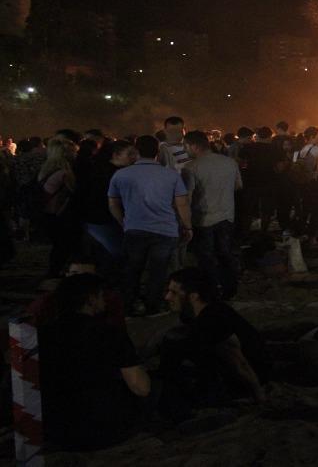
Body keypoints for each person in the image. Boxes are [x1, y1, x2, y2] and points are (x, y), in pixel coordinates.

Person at [39, 273, 150, 451]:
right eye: (100, 295)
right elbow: (141, 387)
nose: (104, 300)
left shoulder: (42, 333)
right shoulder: (109, 333)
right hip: (102, 429)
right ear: (91, 299)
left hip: (55, 428)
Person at [160, 268, 268, 419]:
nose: (167, 297)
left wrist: (258, 395)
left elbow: (238, 361)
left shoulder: (214, 320)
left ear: (193, 296)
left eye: (174, 293)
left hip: (247, 375)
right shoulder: (193, 313)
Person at [108, 135, 193, 315]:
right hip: (165, 230)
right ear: (157, 151)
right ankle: (152, 306)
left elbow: (113, 203)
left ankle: (128, 306)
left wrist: (123, 222)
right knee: (158, 271)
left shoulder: (121, 174)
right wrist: (187, 226)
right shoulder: (170, 175)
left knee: (133, 270)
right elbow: (182, 203)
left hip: (135, 228)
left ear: (136, 151)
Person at [182, 130, 242, 299]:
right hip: (227, 215)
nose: (185, 150)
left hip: (203, 218)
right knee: (225, 254)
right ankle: (230, 288)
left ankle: (211, 289)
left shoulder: (191, 167)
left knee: (206, 257)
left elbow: (187, 196)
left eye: (185, 146)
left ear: (193, 146)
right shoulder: (229, 162)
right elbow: (238, 186)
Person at [82, 140, 136, 263]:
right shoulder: (114, 174)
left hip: (94, 219)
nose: (134, 157)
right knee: (117, 255)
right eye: (130, 154)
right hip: (106, 220)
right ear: (115, 155)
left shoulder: (97, 169)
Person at [37, 138, 80, 277]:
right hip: (59, 214)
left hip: (47, 212)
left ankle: (53, 273)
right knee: (62, 246)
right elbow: (73, 192)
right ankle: (54, 274)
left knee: (58, 246)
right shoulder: (64, 173)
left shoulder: (46, 169)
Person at [239, 126, 281, 233]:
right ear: (270, 136)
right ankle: (263, 231)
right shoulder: (275, 149)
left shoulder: (248, 148)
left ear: (257, 135)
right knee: (266, 210)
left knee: (248, 209)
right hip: (269, 183)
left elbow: (241, 164)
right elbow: (279, 167)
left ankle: (245, 232)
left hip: (250, 182)